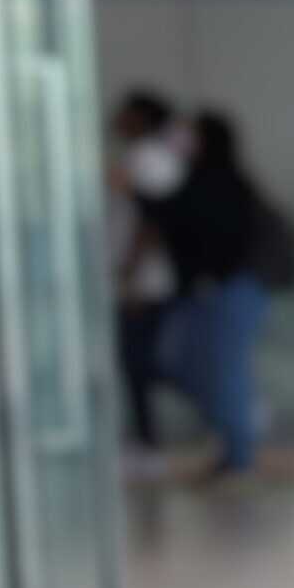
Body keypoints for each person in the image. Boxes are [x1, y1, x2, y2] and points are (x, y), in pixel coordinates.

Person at [151, 107, 282, 479]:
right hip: (211, 291)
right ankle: (235, 430)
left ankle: (239, 452)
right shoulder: (197, 179)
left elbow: (207, 236)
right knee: (188, 365)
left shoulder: (219, 182)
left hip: (228, 289)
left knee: (226, 371)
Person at [106, 88, 186, 463]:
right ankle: (145, 439)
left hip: (146, 280)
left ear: (141, 118)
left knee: (140, 360)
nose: (114, 118)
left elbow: (153, 222)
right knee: (140, 359)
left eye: (124, 112)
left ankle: (147, 442)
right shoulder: (148, 157)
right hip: (143, 277)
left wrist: (132, 275)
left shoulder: (147, 159)